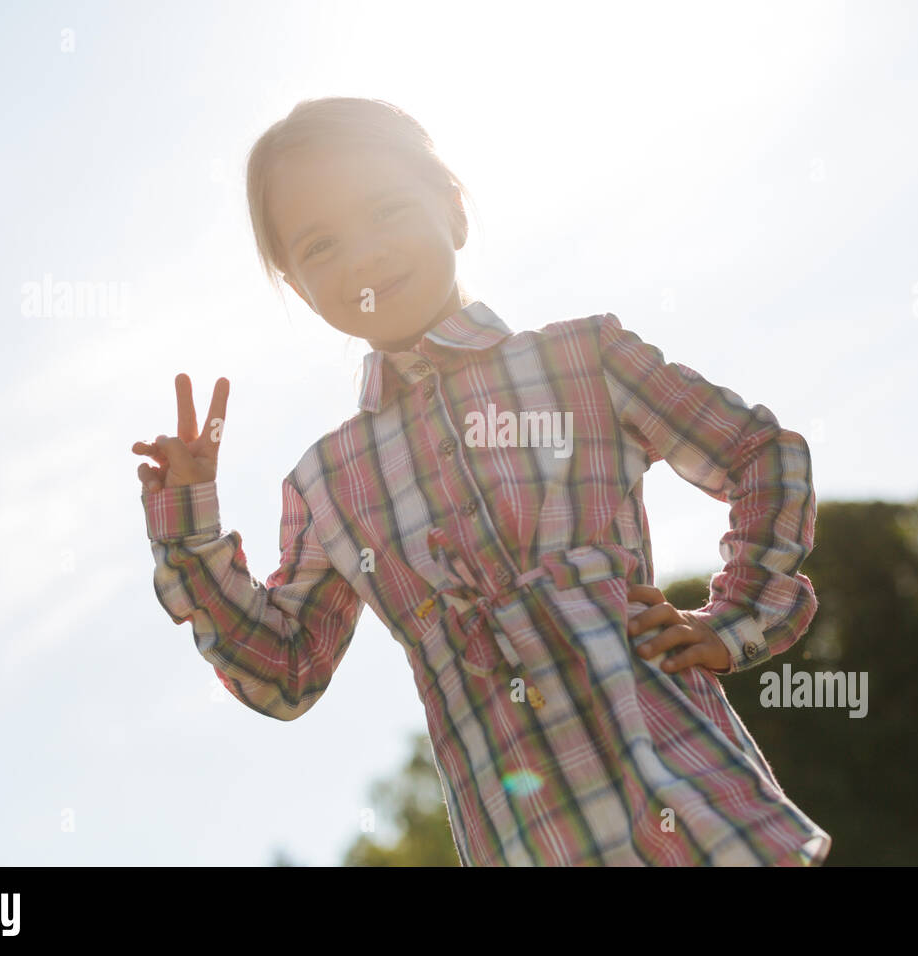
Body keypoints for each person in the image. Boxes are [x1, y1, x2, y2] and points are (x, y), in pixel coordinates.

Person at [132, 97, 832, 866]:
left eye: (387, 208)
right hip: (527, 843)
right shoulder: (327, 482)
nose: (363, 257)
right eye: (321, 245)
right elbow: (286, 669)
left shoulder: (582, 360)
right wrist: (188, 524)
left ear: (454, 211)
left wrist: (730, 621)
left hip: (691, 801)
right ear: (300, 289)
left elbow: (760, 455)